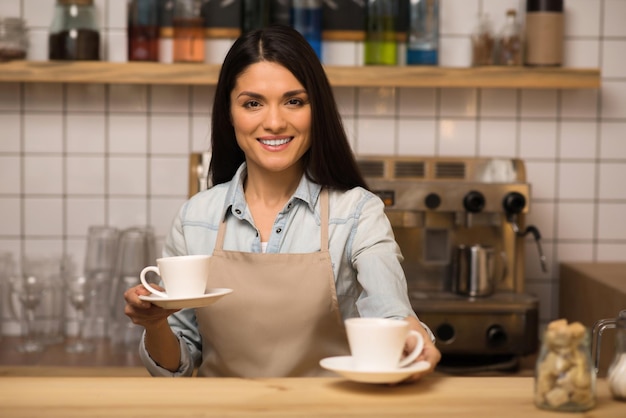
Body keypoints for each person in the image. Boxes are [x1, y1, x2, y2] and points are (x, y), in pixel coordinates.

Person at [124, 24, 441, 379]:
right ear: (229, 113)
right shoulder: (195, 218)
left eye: (294, 101)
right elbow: (176, 366)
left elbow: (392, 315)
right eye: (253, 103)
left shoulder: (356, 213)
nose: (274, 122)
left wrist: (411, 338)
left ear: (315, 109)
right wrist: (155, 325)